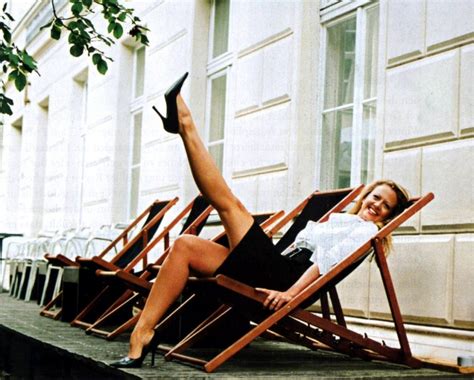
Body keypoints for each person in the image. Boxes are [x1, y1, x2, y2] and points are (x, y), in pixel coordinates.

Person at [110, 72, 410, 368]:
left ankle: (185, 125)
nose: (377, 206)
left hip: (282, 279)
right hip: (276, 266)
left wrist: (290, 296)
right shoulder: (343, 220)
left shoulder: (366, 231)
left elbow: (325, 262)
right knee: (185, 246)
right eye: (375, 197)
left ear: (389, 216)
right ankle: (141, 335)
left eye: (386, 206)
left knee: (230, 206)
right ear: (366, 195)